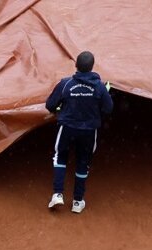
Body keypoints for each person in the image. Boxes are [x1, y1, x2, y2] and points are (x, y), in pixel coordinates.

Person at [44, 51, 113, 214]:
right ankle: (77, 201)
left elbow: (50, 105)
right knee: (83, 162)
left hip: (67, 128)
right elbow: (108, 108)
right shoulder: (100, 87)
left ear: (76, 65)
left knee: (60, 156)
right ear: (92, 67)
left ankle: (58, 194)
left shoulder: (66, 84)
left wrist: (61, 109)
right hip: (89, 131)